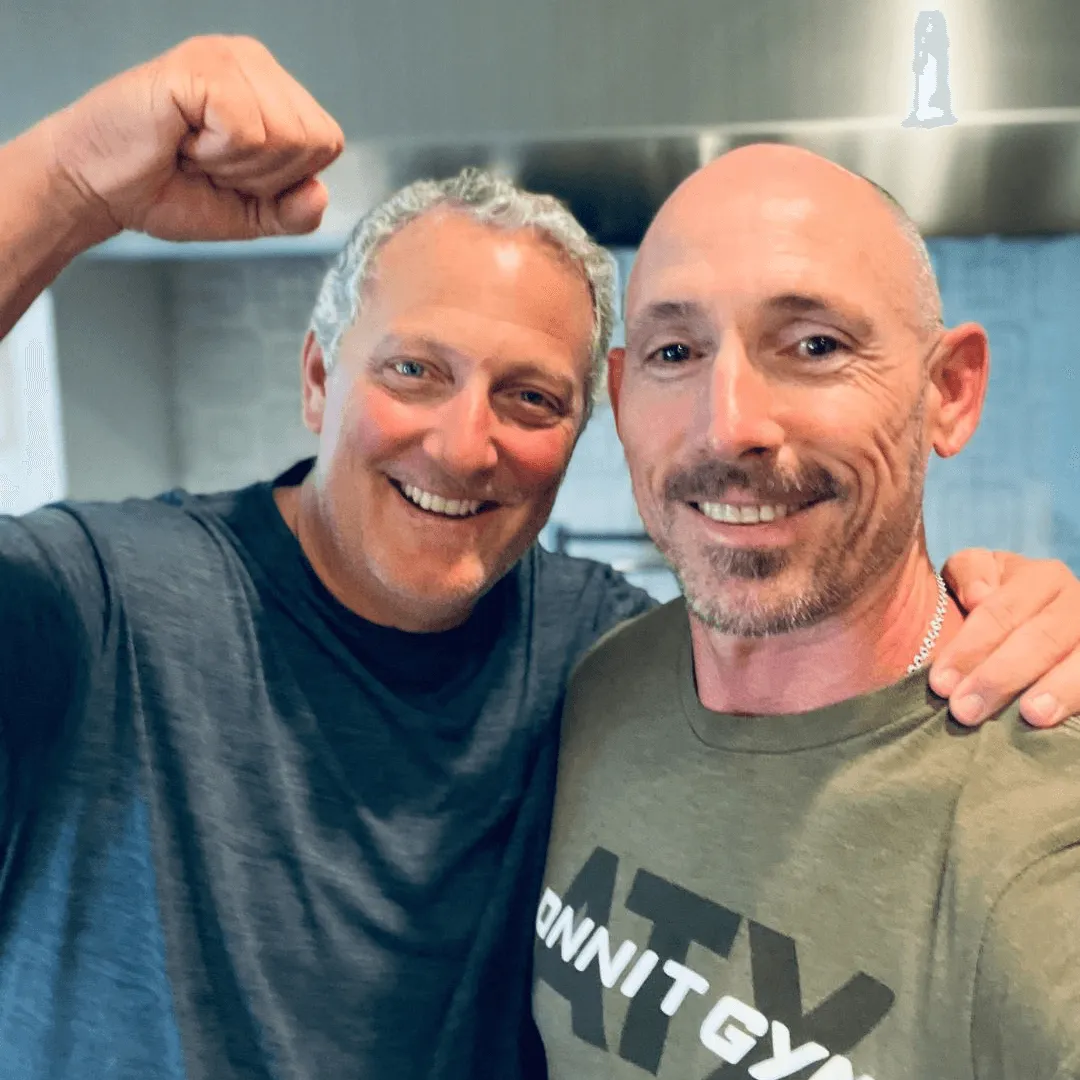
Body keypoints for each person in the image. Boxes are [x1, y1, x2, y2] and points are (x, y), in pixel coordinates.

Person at [1, 36, 1079, 1080]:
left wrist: (1028, 613)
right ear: (320, 378)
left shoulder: (594, 649)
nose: (464, 445)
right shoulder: (99, 608)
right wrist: (66, 179)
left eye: (529, 397)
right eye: (414, 371)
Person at [532, 144, 1080, 1079]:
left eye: (815, 346)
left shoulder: (1041, 841)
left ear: (949, 392)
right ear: (620, 398)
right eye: (676, 352)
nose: (728, 425)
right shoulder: (598, 682)